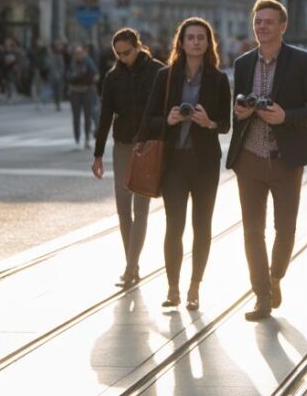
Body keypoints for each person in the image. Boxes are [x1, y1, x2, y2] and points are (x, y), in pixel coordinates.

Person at [227, 0, 307, 322]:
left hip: (286, 158)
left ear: (283, 26)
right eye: (258, 21)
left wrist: (285, 116)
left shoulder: (301, 61)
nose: (262, 27)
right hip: (250, 157)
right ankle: (261, 296)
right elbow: (237, 107)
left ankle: (275, 277)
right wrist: (239, 112)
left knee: (285, 229)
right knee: (252, 231)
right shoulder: (243, 64)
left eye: (269, 22)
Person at [138, 17, 231, 311]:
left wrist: (209, 122)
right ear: (181, 42)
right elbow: (148, 120)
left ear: (208, 43)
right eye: (190, 37)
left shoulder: (218, 79)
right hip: (174, 163)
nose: (195, 42)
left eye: (201, 38)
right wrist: (168, 119)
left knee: (202, 226)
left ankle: (195, 287)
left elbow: (226, 125)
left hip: (205, 164)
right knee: (173, 226)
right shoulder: (165, 76)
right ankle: (173, 287)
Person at [92, 28, 164, 288]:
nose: (123, 58)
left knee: (141, 210)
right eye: (118, 54)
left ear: (138, 47)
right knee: (123, 209)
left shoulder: (157, 71)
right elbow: (105, 116)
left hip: (147, 146)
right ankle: (131, 263)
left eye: (127, 52)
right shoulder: (113, 77)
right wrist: (98, 154)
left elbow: (165, 109)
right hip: (122, 145)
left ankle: (131, 267)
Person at [67, 44, 100, 149]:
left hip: (86, 92)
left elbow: (93, 75)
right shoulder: (71, 64)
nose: (78, 56)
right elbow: (68, 77)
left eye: (80, 53)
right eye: (76, 54)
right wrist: (79, 76)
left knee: (87, 116)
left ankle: (87, 139)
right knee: (76, 116)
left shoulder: (88, 62)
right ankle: (77, 139)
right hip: (75, 92)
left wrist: (80, 77)